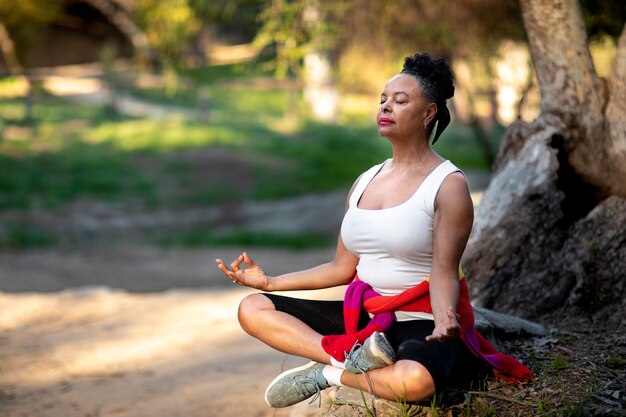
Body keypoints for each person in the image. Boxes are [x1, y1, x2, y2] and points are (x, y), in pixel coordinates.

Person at [215, 52, 533, 409]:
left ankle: (328, 373)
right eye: (383, 99)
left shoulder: (447, 185)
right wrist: (270, 283)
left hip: (419, 318)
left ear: (428, 113)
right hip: (365, 316)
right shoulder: (365, 180)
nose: (385, 107)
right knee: (252, 308)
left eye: (400, 101)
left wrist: (446, 316)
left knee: (416, 382)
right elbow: (341, 269)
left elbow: (444, 271)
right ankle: (347, 357)